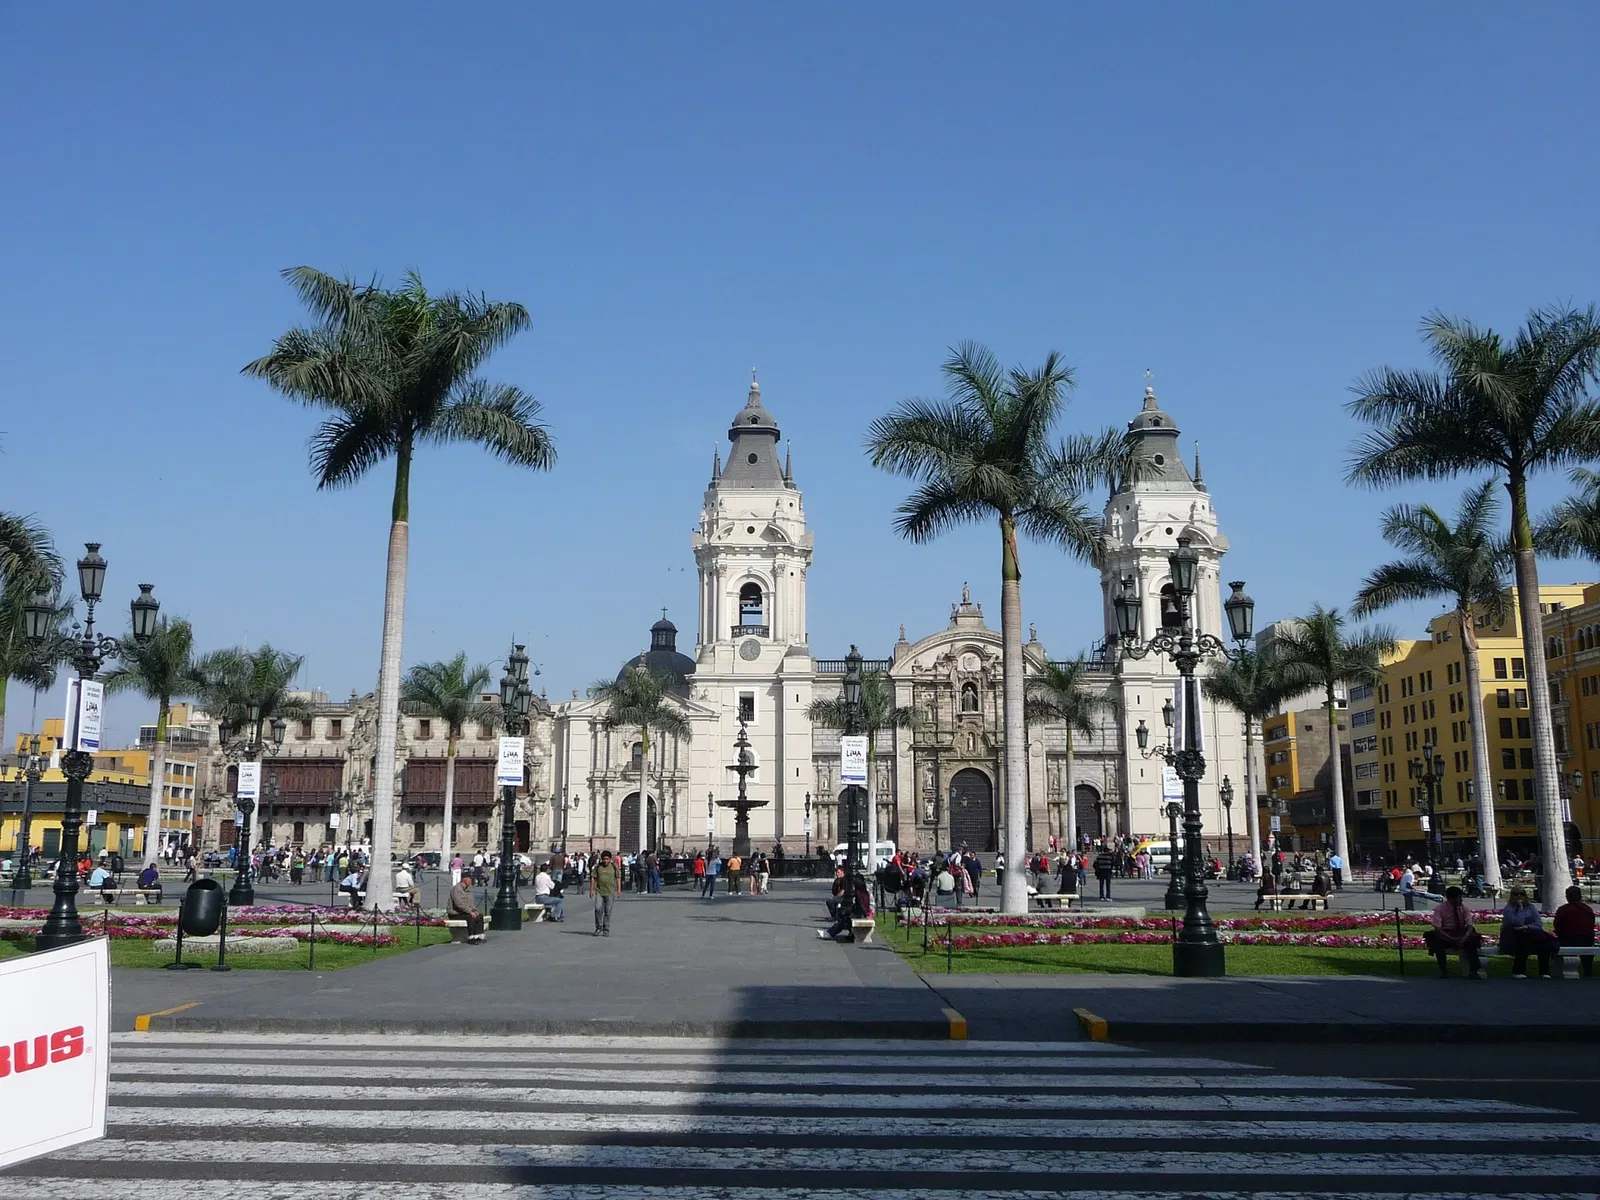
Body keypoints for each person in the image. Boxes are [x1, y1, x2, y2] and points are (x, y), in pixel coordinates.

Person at [1424, 886, 1484, 978]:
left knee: (1473, 941)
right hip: (1446, 934)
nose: (1461, 900)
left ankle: (1474, 970)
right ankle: (1443, 970)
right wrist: (1451, 939)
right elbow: (1438, 928)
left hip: (1461, 933)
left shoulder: (1464, 908)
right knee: (1435, 939)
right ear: (1451, 899)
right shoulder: (1440, 908)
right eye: (1459, 898)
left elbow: (1469, 925)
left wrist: (1464, 938)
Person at [1499, 887, 1558, 978]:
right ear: (1511, 896)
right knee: (1524, 939)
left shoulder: (1531, 907)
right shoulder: (1509, 909)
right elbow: (1517, 922)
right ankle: (1518, 971)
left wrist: (1526, 926)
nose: (1519, 896)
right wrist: (1520, 908)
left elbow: (1538, 924)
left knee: (1545, 942)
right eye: (1516, 894)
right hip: (1512, 936)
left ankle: (1544, 971)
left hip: (1530, 933)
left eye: (1522, 894)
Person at [1554, 885, 1597, 979]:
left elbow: (1557, 925)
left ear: (1568, 897)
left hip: (1567, 940)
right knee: (1587, 945)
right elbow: (1591, 925)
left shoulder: (1563, 909)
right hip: (1586, 940)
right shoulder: (1587, 909)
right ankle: (1588, 972)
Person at [589, 848, 621, 936]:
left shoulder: (614, 867)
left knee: (607, 911)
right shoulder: (598, 867)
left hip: (610, 892)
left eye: (607, 859)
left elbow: (618, 878)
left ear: (610, 859)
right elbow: (593, 878)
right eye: (604, 859)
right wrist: (591, 890)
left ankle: (606, 929)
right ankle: (598, 927)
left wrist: (619, 890)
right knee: (598, 909)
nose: (605, 861)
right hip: (599, 891)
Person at [448, 872, 485, 944]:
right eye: (470, 879)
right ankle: (471, 937)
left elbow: (470, 903)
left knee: (479, 916)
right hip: (456, 913)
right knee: (470, 917)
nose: (471, 881)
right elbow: (460, 904)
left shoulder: (468, 889)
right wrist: (470, 912)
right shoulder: (457, 889)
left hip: (464, 912)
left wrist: (474, 910)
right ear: (464, 879)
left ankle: (478, 936)